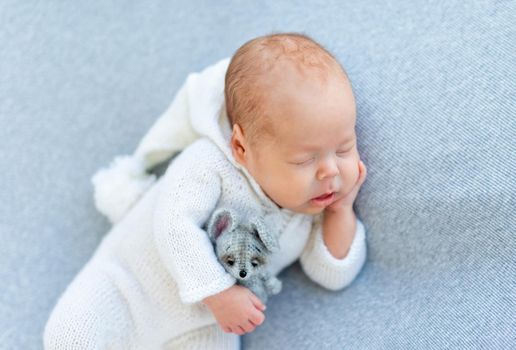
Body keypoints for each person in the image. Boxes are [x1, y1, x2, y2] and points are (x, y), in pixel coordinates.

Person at [43, 32, 368, 350]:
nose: (331, 171)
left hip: (200, 328)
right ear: (242, 148)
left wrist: (340, 212)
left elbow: (331, 274)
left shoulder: (309, 212)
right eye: (305, 159)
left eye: (343, 148)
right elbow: (173, 224)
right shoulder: (211, 164)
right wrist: (218, 293)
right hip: (126, 289)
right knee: (71, 337)